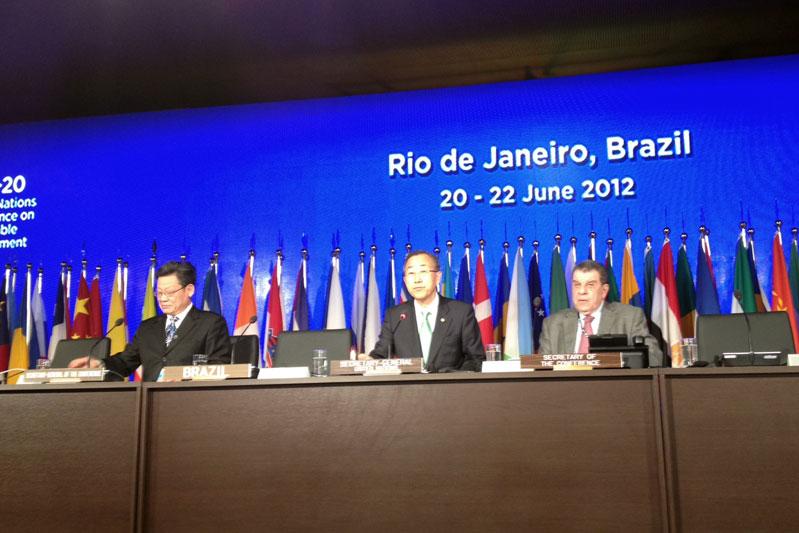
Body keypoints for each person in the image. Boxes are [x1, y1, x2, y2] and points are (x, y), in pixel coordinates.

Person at [70, 261, 231, 380]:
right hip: (148, 402)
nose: (163, 299)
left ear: (189, 290)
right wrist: (100, 365)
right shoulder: (147, 328)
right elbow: (125, 362)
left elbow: (218, 367)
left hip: (191, 402)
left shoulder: (211, 323)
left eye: (169, 292)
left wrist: (185, 377)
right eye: (159, 293)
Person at [362, 250, 485, 372]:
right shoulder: (395, 316)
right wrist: (370, 361)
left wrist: (451, 378)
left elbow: (476, 359)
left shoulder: (460, 312)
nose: (417, 280)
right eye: (411, 273)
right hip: (410, 384)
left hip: (450, 384)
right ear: (405, 280)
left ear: (437, 277)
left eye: (423, 272)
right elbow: (381, 354)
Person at [539, 260, 663, 366]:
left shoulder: (629, 317)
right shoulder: (553, 324)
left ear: (604, 291)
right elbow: (541, 369)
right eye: (577, 285)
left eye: (590, 285)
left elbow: (654, 358)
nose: (581, 291)